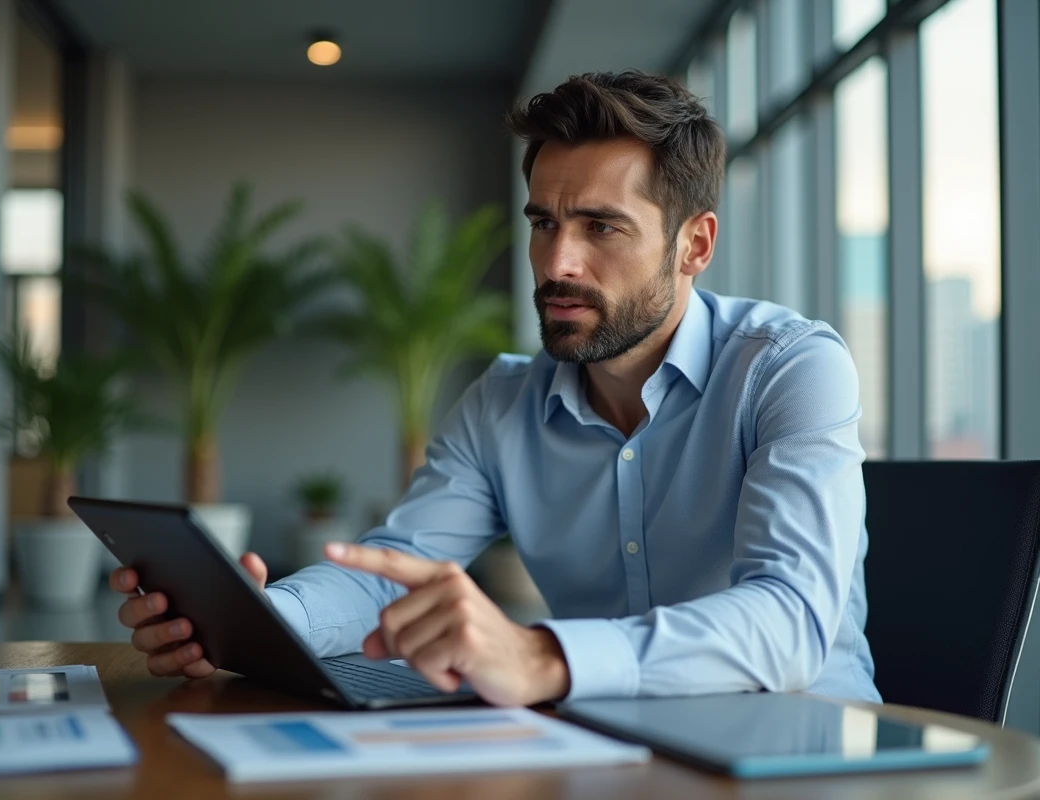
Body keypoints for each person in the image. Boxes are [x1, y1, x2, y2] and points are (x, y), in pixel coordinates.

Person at [110, 70, 880, 708]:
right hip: (619, 752)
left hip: (814, 755)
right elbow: (395, 570)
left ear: (694, 245)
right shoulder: (505, 402)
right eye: (544, 223)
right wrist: (260, 618)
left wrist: (542, 656)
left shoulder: (789, 369)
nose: (558, 263)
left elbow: (792, 621)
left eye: (601, 227)